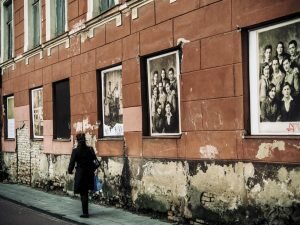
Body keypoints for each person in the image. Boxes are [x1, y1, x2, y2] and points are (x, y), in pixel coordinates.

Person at [68, 133, 97, 218]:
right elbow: (95, 161)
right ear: (85, 141)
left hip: (81, 174)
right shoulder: (90, 149)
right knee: (85, 192)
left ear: (78, 141)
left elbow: (72, 163)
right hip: (89, 173)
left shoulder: (76, 151)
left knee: (83, 193)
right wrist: (93, 168)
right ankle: (85, 211)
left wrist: (70, 171)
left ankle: (85, 213)